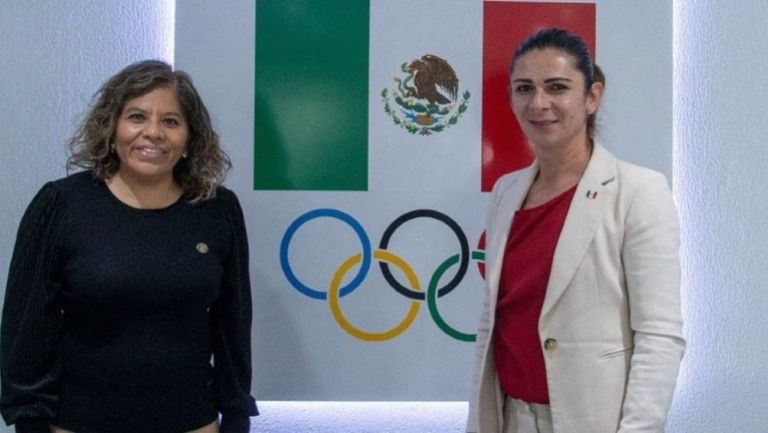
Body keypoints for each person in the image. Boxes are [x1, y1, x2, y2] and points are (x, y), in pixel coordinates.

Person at [0, 60, 258, 433]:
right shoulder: (61, 205)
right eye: (136, 117)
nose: (153, 132)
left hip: (191, 422)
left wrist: (235, 414)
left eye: (171, 121)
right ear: (112, 128)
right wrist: (30, 419)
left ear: (190, 139)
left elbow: (233, 322)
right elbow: (26, 327)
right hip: (78, 423)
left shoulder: (217, 209)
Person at [467, 28, 684, 433]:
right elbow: (492, 322)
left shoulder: (639, 191)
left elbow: (659, 335)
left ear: (592, 97)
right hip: (510, 417)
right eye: (524, 88)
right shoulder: (505, 192)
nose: (539, 103)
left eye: (557, 87)